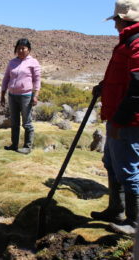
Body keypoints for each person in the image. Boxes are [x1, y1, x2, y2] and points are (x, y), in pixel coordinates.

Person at [90, 0, 139, 235]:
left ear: (124, 19)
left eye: (116, 20)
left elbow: (138, 86)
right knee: (111, 163)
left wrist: (120, 118)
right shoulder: (126, 42)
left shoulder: (137, 42)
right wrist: (104, 85)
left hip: (128, 120)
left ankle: (134, 222)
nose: (114, 25)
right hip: (117, 116)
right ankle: (116, 209)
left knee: (129, 169)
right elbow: (121, 77)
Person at [1, 38, 41, 154]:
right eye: (18, 48)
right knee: (14, 122)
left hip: (26, 96)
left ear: (29, 50)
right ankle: (14, 145)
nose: (21, 50)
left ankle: (27, 146)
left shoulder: (33, 62)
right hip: (12, 95)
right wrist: (2, 95)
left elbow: (37, 80)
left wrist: (36, 95)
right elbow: (6, 79)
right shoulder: (12, 62)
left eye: (23, 48)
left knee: (26, 122)